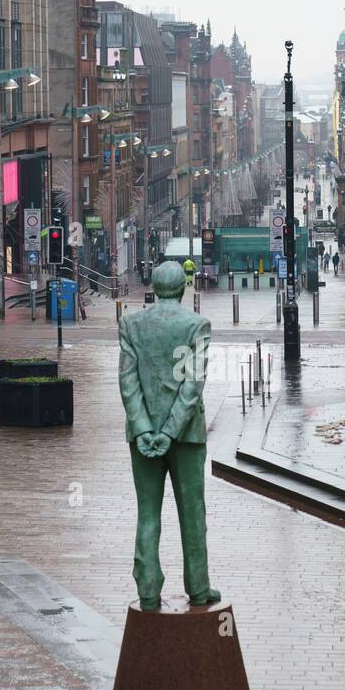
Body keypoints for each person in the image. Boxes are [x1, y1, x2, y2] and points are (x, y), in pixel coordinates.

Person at [118, 262, 220, 611]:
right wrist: (170, 432)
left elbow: (128, 382)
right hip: (186, 436)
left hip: (142, 435)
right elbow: (192, 386)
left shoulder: (131, 324)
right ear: (183, 289)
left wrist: (146, 429)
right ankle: (199, 586)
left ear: (154, 287)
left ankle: (148, 588)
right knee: (192, 512)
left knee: (147, 513)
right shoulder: (196, 325)